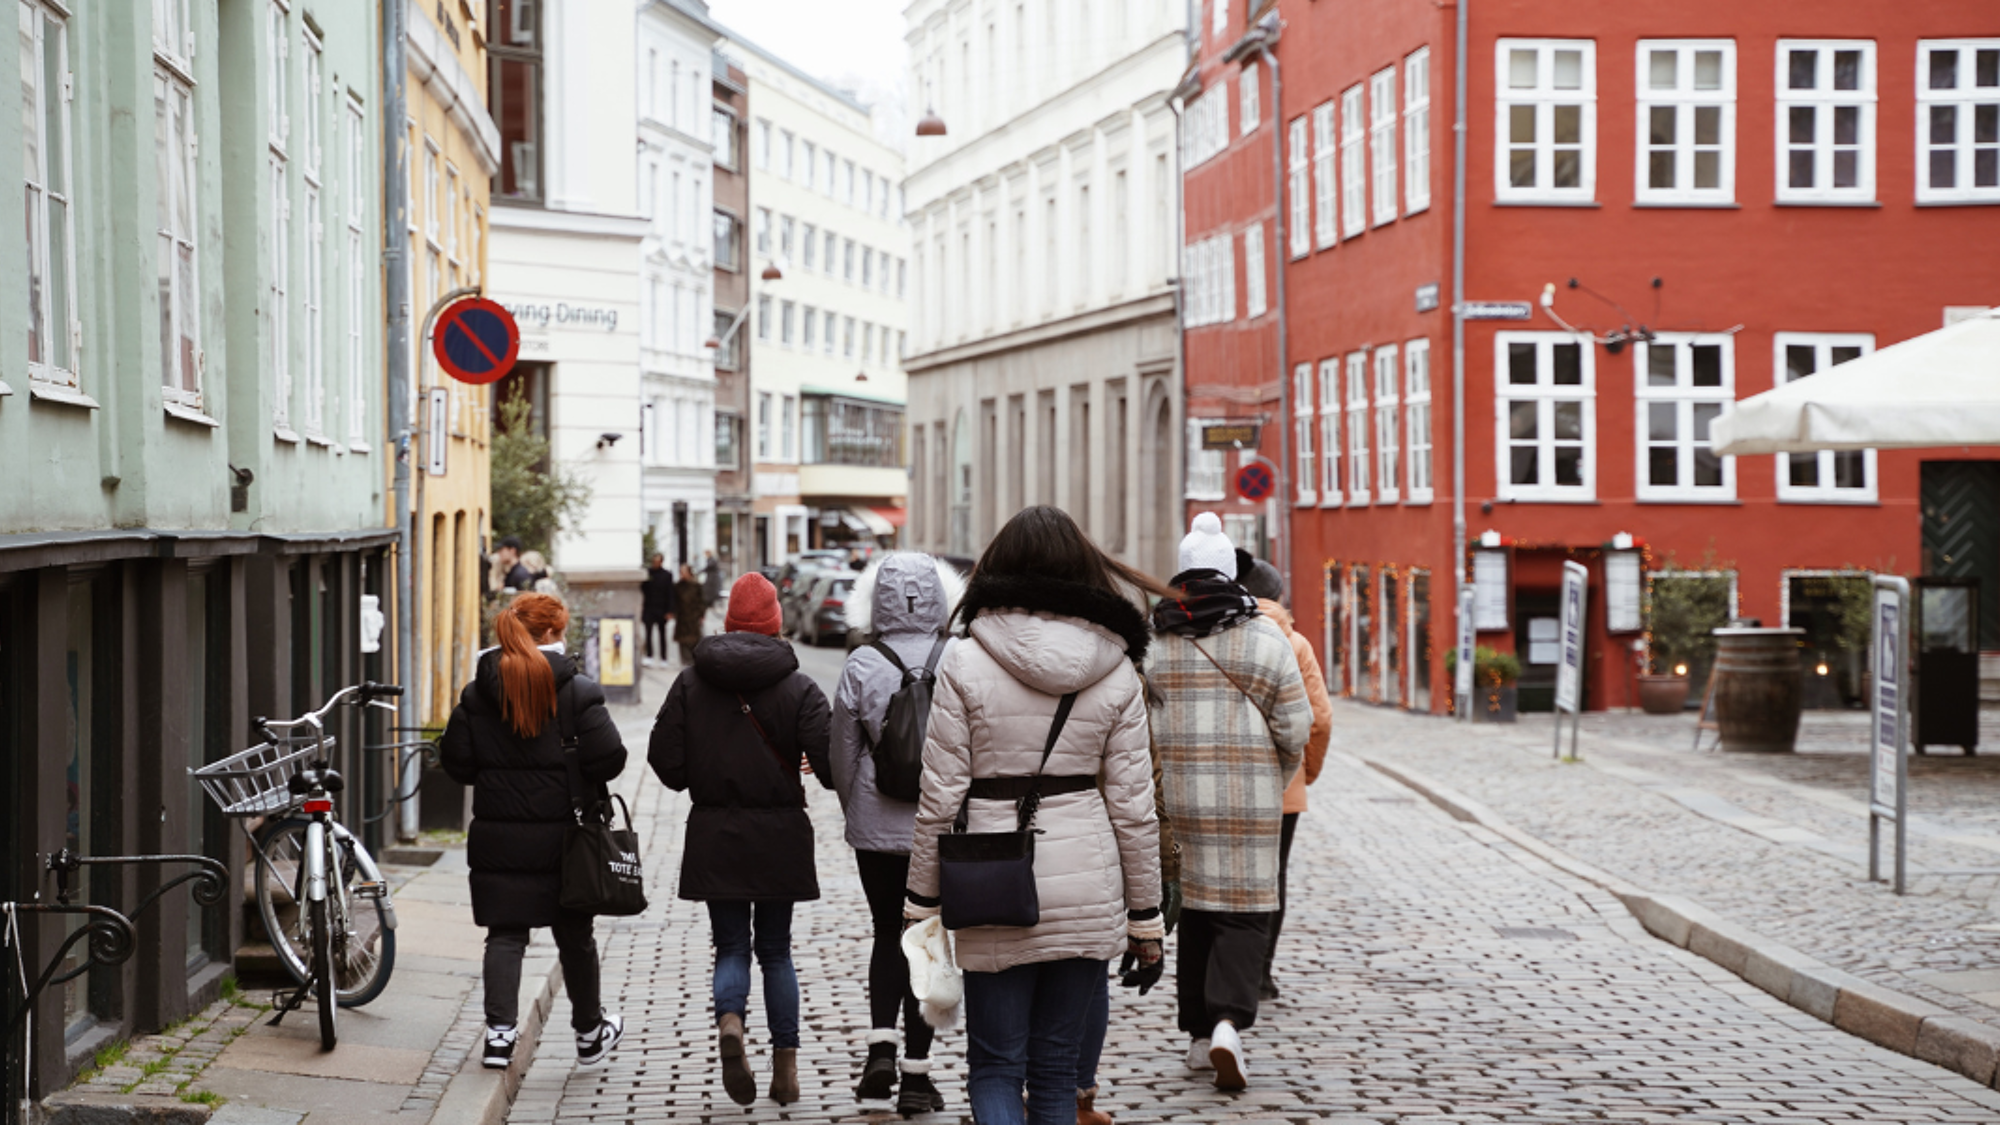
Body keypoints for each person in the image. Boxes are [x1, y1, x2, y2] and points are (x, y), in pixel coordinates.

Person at [905, 506, 1166, 1125]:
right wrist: (1146, 916)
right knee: (1054, 1071)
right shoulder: (1118, 666)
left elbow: (940, 795)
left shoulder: (965, 660)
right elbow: (1134, 808)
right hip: (1087, 877)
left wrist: (920, 901)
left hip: (992, 879)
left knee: (995, 1067)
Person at [649, 573, 834, 1107]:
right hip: (779, 834)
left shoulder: (690, 682)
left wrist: (699, 772)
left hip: (716, 832)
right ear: (776, 622)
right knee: (776, 951)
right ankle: (786, 1066)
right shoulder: (800, 687)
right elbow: (830, 764)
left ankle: (731, 1021)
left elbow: (665, 762)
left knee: (731, 946)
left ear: (728, 620)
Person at [1146, 513, 1311, 1090]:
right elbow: (1297, 725)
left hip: (1184, 797)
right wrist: (1274, 774)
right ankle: (1227, 1024)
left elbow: (1141, 723)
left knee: (1194, 913)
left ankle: (1195, 1034)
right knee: (1244, 915)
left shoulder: (1157, 636)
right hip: (1250, 798)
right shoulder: (1265, 636)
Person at [439, 592, 629, 1073]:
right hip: (567, 838)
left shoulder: (478, 692)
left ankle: (499, 1039)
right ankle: (589, 1034)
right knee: (575, 936)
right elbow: (611, 758)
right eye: (560, 630)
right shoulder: (576, 690)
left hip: (499, 839)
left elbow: (456, 764)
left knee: (505, 935)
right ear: (548, 634)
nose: (563, 638)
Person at [827, 552, 966, 1116]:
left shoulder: (863, 661)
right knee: (927, 938)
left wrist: (855, 806)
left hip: (876, 830)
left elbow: (842, 754)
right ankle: (916, 1073)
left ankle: (879, 1048)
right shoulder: (957, 656)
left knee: (887, 933)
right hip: (939, 828)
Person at [1236, 553, 1332, 1001]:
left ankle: (1224, 972)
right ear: (1277, 595)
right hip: (1282, 786)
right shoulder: (1295, 643)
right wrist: (1305, 773)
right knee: (1273, 878)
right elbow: (1320, 719)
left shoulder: (1226, 636)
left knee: (1227, 877)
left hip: (1229, 781)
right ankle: (1260, 974)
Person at [642, 554, 675, 666]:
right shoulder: (647, 573)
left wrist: (670, 610)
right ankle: (649, 655)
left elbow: (670, 593)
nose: (655, 563)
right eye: (654, 561)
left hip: (662, 609)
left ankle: (663, 657)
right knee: (648, 633)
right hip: (649, 608)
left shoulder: (667, 575)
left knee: (662, 634)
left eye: (658, 561)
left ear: (661, 562)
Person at [674, 564, 707, 665]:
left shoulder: (696, 586)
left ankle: (694, 660)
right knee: (682, 640)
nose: (682, 574)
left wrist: (701, 614)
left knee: (694, 639)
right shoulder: (678, 586)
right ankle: (685, 660)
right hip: (682, 616)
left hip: (693, 615)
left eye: (684, 572)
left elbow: (702, 601)